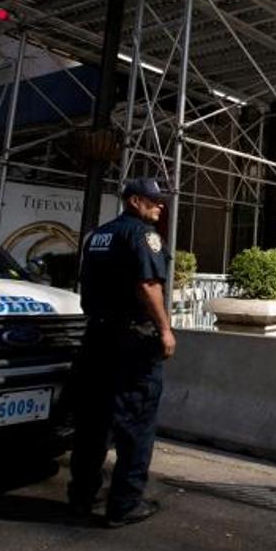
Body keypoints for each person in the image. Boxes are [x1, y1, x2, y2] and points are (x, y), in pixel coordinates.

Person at [68, 177, 177, 526]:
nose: (160, 206)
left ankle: (82, 494)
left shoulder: (98, 235)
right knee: (136, 421)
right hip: (132, 341)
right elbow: (147, 284)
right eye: (154, 200)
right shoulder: (143, 235)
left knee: (93, 422)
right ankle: (125, 504)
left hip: (97, 336)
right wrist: (164, 329)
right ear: (134, 201)